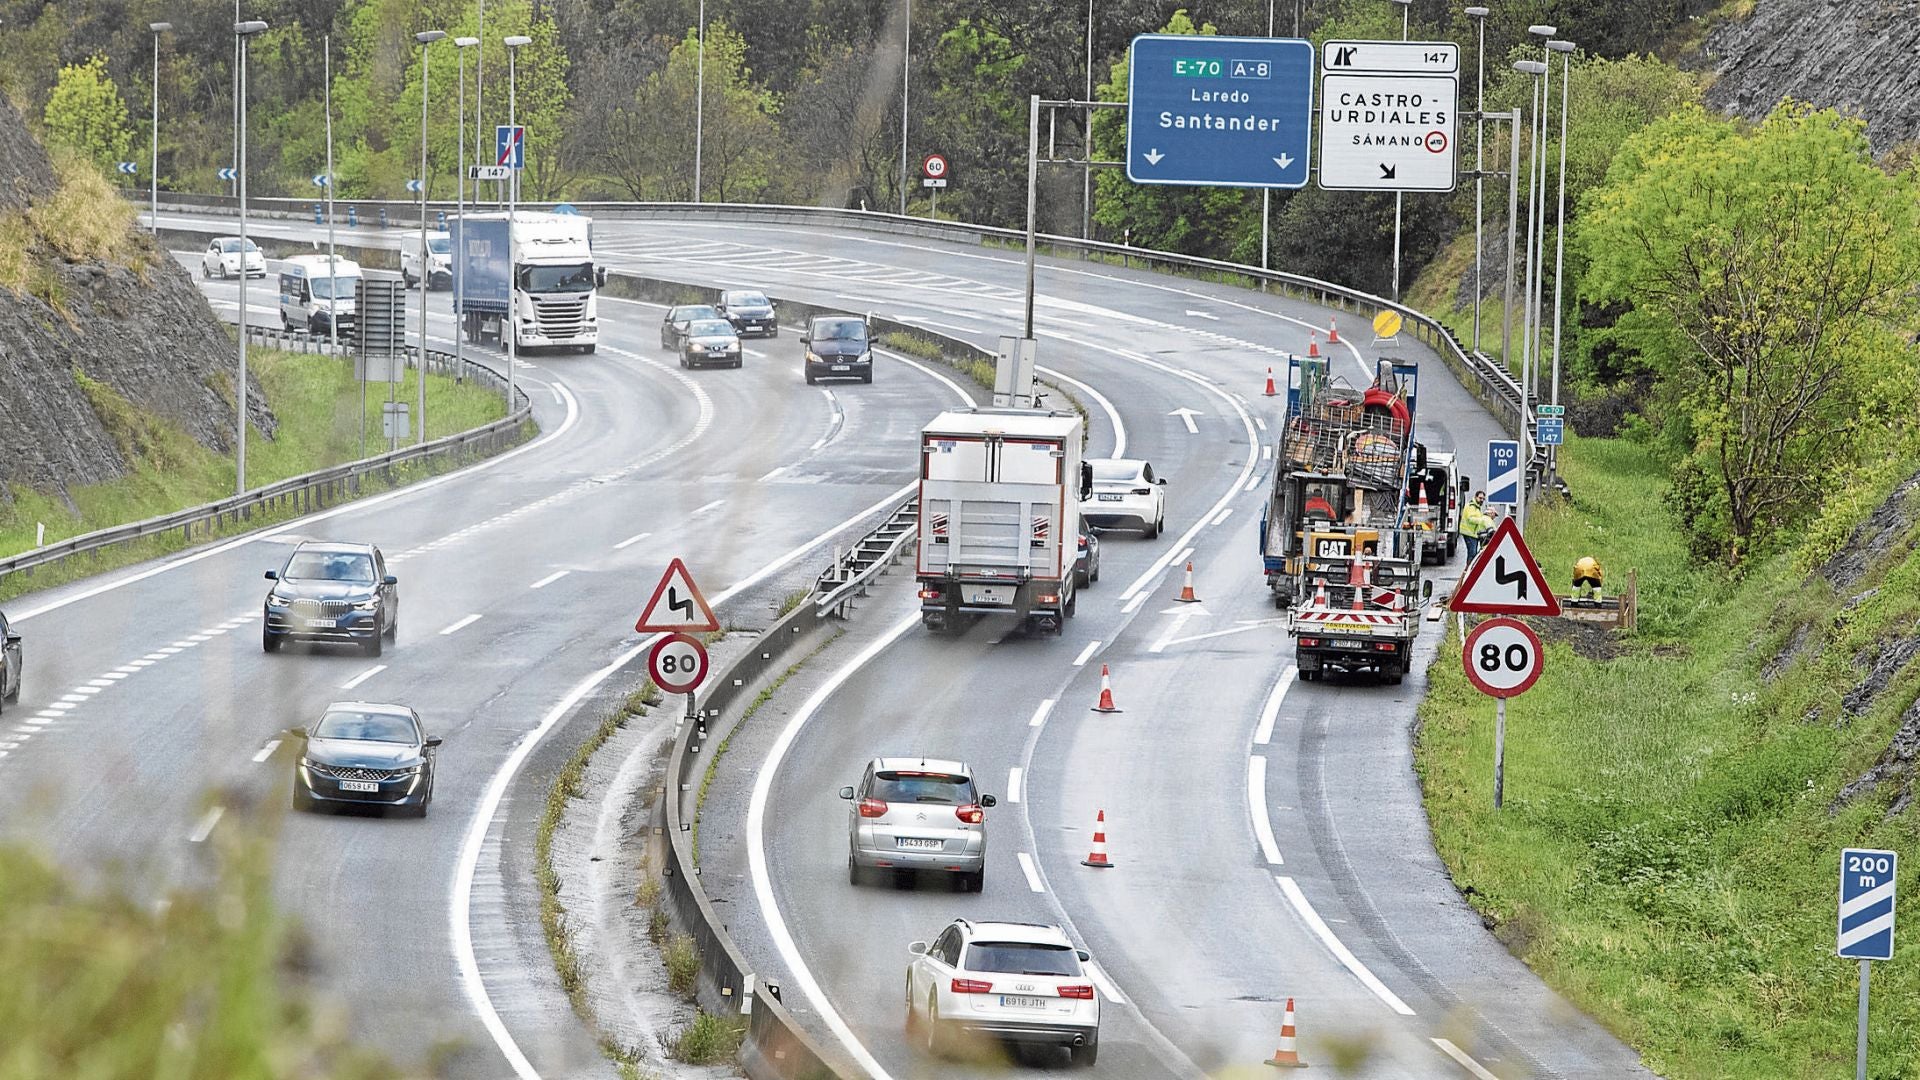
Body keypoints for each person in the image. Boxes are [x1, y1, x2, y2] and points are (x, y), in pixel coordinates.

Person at [1461, 491, 1495, 562]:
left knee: (1473, 553)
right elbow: (1470, 519)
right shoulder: (1471, 506)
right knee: (1472, 553)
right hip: (1469, 533)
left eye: (1483, 499)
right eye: (1480, 498)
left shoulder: (1477, 507)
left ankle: (1470, 568)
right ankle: (1469, 569)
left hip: (1473, 533)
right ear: (1476, 497)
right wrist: (1481, 520)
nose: (1481, 500)